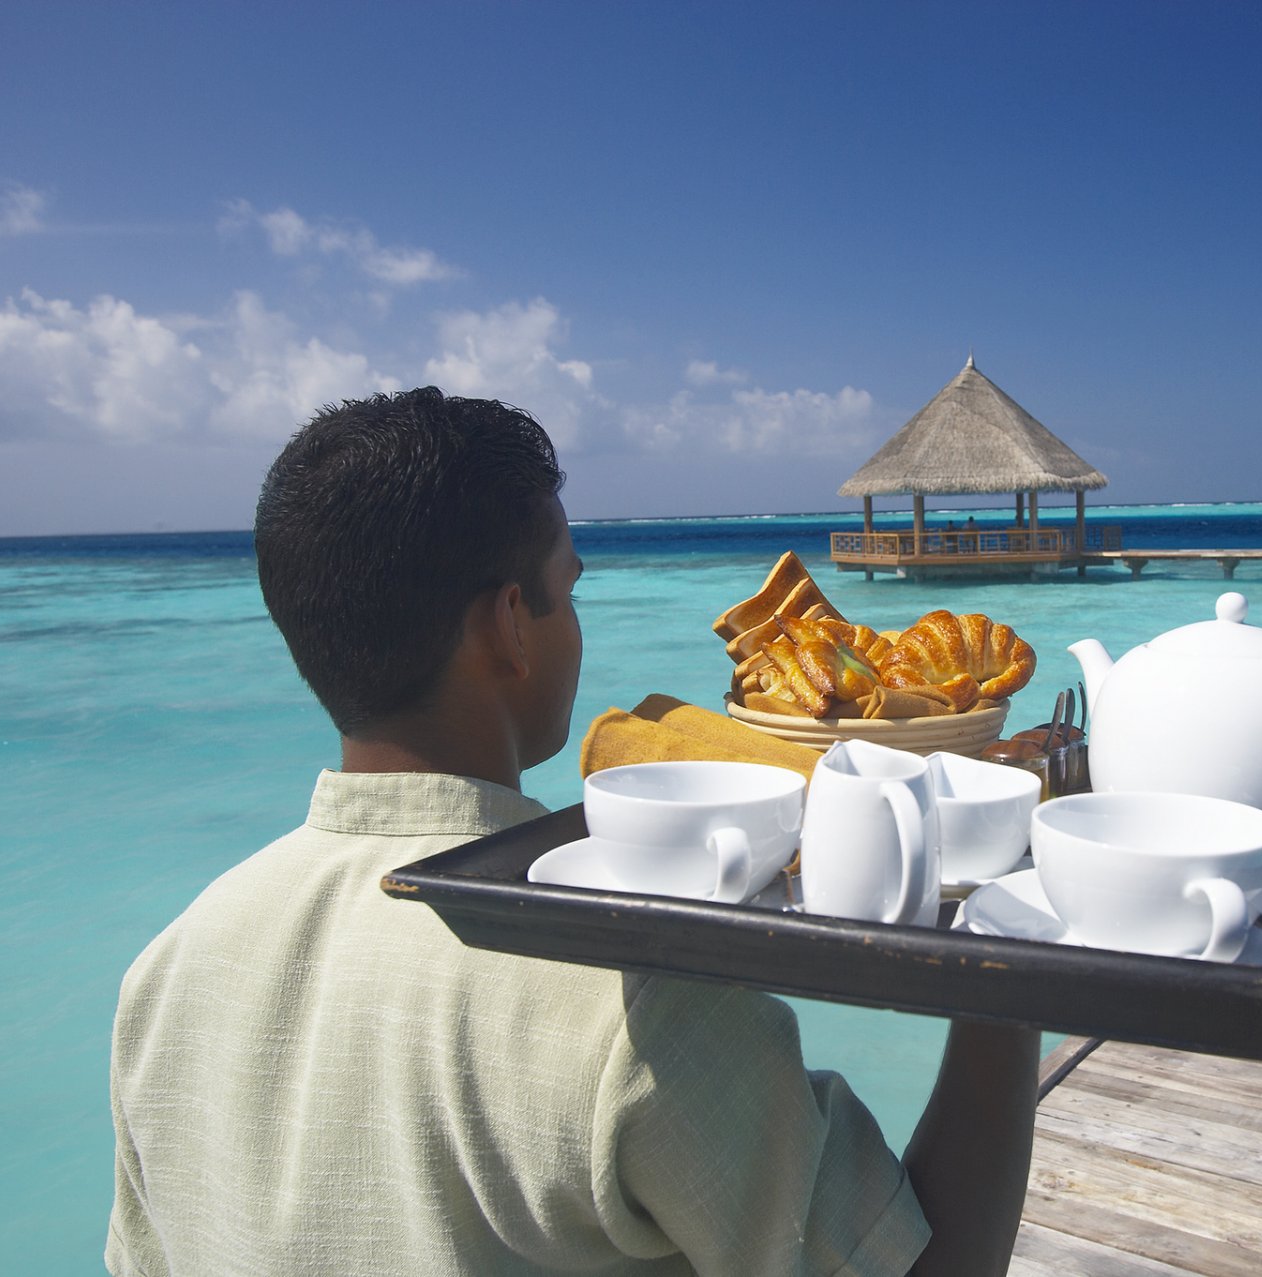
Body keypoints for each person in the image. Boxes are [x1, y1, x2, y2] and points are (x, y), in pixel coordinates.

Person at [106, 386, 1039, 1276]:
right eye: (570, 586)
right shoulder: (631, 992)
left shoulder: (167, 973)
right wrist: (1012, 951)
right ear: (512, 624)